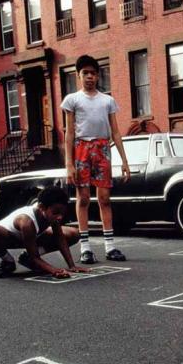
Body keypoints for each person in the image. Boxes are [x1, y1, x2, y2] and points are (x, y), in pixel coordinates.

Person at [61, 54, 130, 264]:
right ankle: (86, 248)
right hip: (81, 148)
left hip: (102, 149)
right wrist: (69, 163)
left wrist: (124, 161)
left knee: (104, 198)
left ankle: (110, 246)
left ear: (98, 76)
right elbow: (69, 133)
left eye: (93, 73)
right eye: (85, 73)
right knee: (83, 198)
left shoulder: (107, 100)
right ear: (78, 75)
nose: (89, 77)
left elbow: (116, 132)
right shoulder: (72, 100)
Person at [0, 186, 88, 279]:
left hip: (33, 237)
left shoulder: (52, 216)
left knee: (73, 234)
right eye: (55, 212)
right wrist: (54, 270)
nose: (59, 217)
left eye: (62, 213)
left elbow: (60, 238)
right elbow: (35, 256)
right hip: (10, 238)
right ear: (41, 207)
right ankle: (8, 261)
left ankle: (26, 258)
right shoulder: (26, 221)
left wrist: (72, 266)